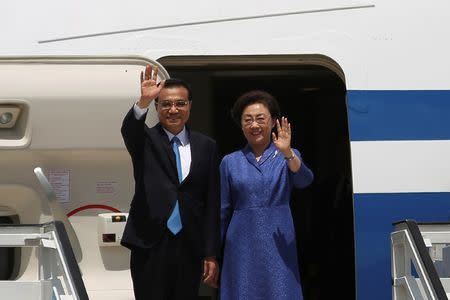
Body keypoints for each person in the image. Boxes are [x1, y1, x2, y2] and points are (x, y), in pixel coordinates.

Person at [120, 64, 220, 299]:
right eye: (166, 104)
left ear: (189, 106)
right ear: (157, 107)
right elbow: (129, 128)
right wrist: (143, 101)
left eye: (180, 104)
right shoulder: (145, 140)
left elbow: (211, 202)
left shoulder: (206, 146)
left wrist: (211, 253)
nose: (173, 109)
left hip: (189, 243)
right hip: (150, 241)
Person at [219, 90, 314, 300]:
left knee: (280, 290)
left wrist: (288, 153)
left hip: (278, 236)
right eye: (248, 120)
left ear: (273, 123)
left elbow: (305, 180)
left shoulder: (288, 155)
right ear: (241, 126)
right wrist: (212, 252)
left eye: (261, 119)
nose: (254, 125)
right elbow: (222, 210)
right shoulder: (230, 161)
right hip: (241, 240)